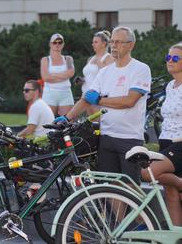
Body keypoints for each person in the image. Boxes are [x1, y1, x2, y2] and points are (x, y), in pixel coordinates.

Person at [55, 26, 151, 184]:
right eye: (112, 41)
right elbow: (86, 99)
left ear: (131, 45)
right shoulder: (105, 72)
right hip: (107, 136)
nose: (114, 45)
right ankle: (114, 211)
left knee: (130, 187)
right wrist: (67, 118)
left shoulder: (140, 69)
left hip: (129, 138)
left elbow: (129, 101)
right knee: (108, 185)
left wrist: (99, 100)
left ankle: (135, 210)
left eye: (119, 42)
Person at [141, 42, 182, 226]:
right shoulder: (169, 86)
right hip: (165, 141)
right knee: (171, 194)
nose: (170, 61)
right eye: (168, 57)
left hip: (180, 143)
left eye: (175, 58)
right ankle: (177, 237)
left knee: (147, 172)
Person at [40, 33, 75, 116]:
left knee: (67, 123)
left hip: (66, 93)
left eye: (60, 42)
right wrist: (64, 75)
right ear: (50, 44)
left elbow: (71, 73)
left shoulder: (68, 59)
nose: (57, 44)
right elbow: (46, 77)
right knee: (48, 122)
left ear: (63, 44)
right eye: (55, 42)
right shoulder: (45, 60)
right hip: (50, 93)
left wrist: (54, 74)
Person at [81, 30, 114, 94]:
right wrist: (82, 80)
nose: (93, 44)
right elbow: (90, 76)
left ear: (104, 44)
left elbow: (111, 75)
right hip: (85, 93)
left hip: (98, 95)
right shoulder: (90, 58)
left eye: (96, 42)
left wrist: (99, 64)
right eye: (92, 42)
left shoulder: (109, 57)